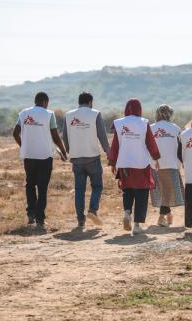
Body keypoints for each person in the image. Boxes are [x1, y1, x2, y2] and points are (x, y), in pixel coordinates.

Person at [13, 92, 67, 230]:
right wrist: (63, 151)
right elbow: (55, 136)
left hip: (29, 156)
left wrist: (23, 145)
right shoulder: (49, 114)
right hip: (44, 156)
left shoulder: (24, 113)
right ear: (44, 102)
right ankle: (40, 220)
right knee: (42, 188)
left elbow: (15, 133)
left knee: (30, 184)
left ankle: (31, 214)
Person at [108, 98, 161, 235]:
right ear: (139, 109)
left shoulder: (119, 124)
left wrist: (113, 162)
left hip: (124, 164)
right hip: (141, 164)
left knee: (128, 190)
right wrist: (155, 157)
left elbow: (115, 145)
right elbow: (151, 143)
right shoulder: (144, 123)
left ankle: (127, 212)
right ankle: (137, 225)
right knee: (142, 193)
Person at [62, 92, 110, 231]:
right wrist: (108, 152)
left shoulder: (69, 115)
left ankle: (80, 221)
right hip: (92, 157)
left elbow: (65, 136)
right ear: (90, 102)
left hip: (76, 158)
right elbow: (102, 135)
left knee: (79, 190)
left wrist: (69, 151)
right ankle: (93, 210)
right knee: (97, 186)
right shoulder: (95, 114)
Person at [150, 104, 184, 227]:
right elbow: (180, 148)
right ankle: (162, 216)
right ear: (169, 114)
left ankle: (166, 215)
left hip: (155, 163)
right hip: (172, 163)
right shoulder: (175, 128)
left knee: (163, 190)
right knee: (167, 191)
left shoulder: (151, 128)